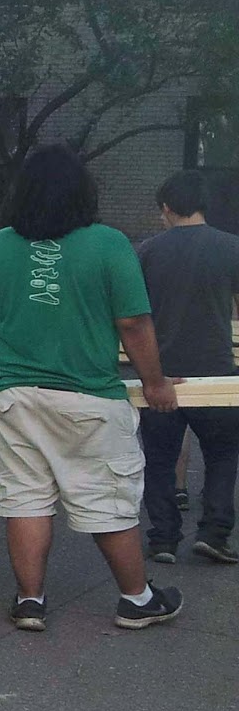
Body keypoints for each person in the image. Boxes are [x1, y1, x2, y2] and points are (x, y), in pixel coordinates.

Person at [0, 144, 180, 633]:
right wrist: (155, 382)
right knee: (106, 498)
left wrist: (13, 367)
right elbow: (133, 322)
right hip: (89, 396)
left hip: (17, 395)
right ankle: (137, 600)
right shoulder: (108, 244)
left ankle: (30, 600)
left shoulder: (0, 245)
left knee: (25, 497)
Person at [136, 169, 239, 566]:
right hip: (217, 372)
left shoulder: (146, 252)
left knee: (160, 459)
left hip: (160, 374)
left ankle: (163, 538)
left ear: (166, 207)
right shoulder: (231, 247)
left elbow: (132, 315)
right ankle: (214, 533)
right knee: (222, 453)